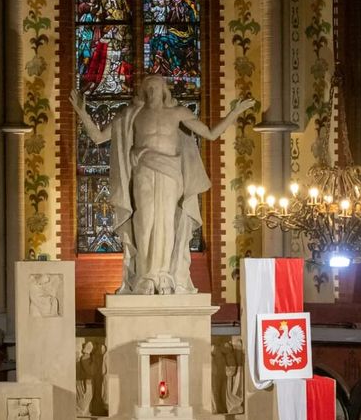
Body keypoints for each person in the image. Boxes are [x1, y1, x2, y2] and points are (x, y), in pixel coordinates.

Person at [70, 76, 254, 295]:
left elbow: (211, 134)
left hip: (171, 174)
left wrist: (234, 113)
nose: (151, 91)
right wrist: (82, 113)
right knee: (145, 221)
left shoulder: (177, 113)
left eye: (156, 87)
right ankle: (145, 276)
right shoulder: (132, 115)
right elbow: (99, 137)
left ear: (164, 90)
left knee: (167, 223)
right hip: (143, 173)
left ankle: (164, 276)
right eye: (147, 87)